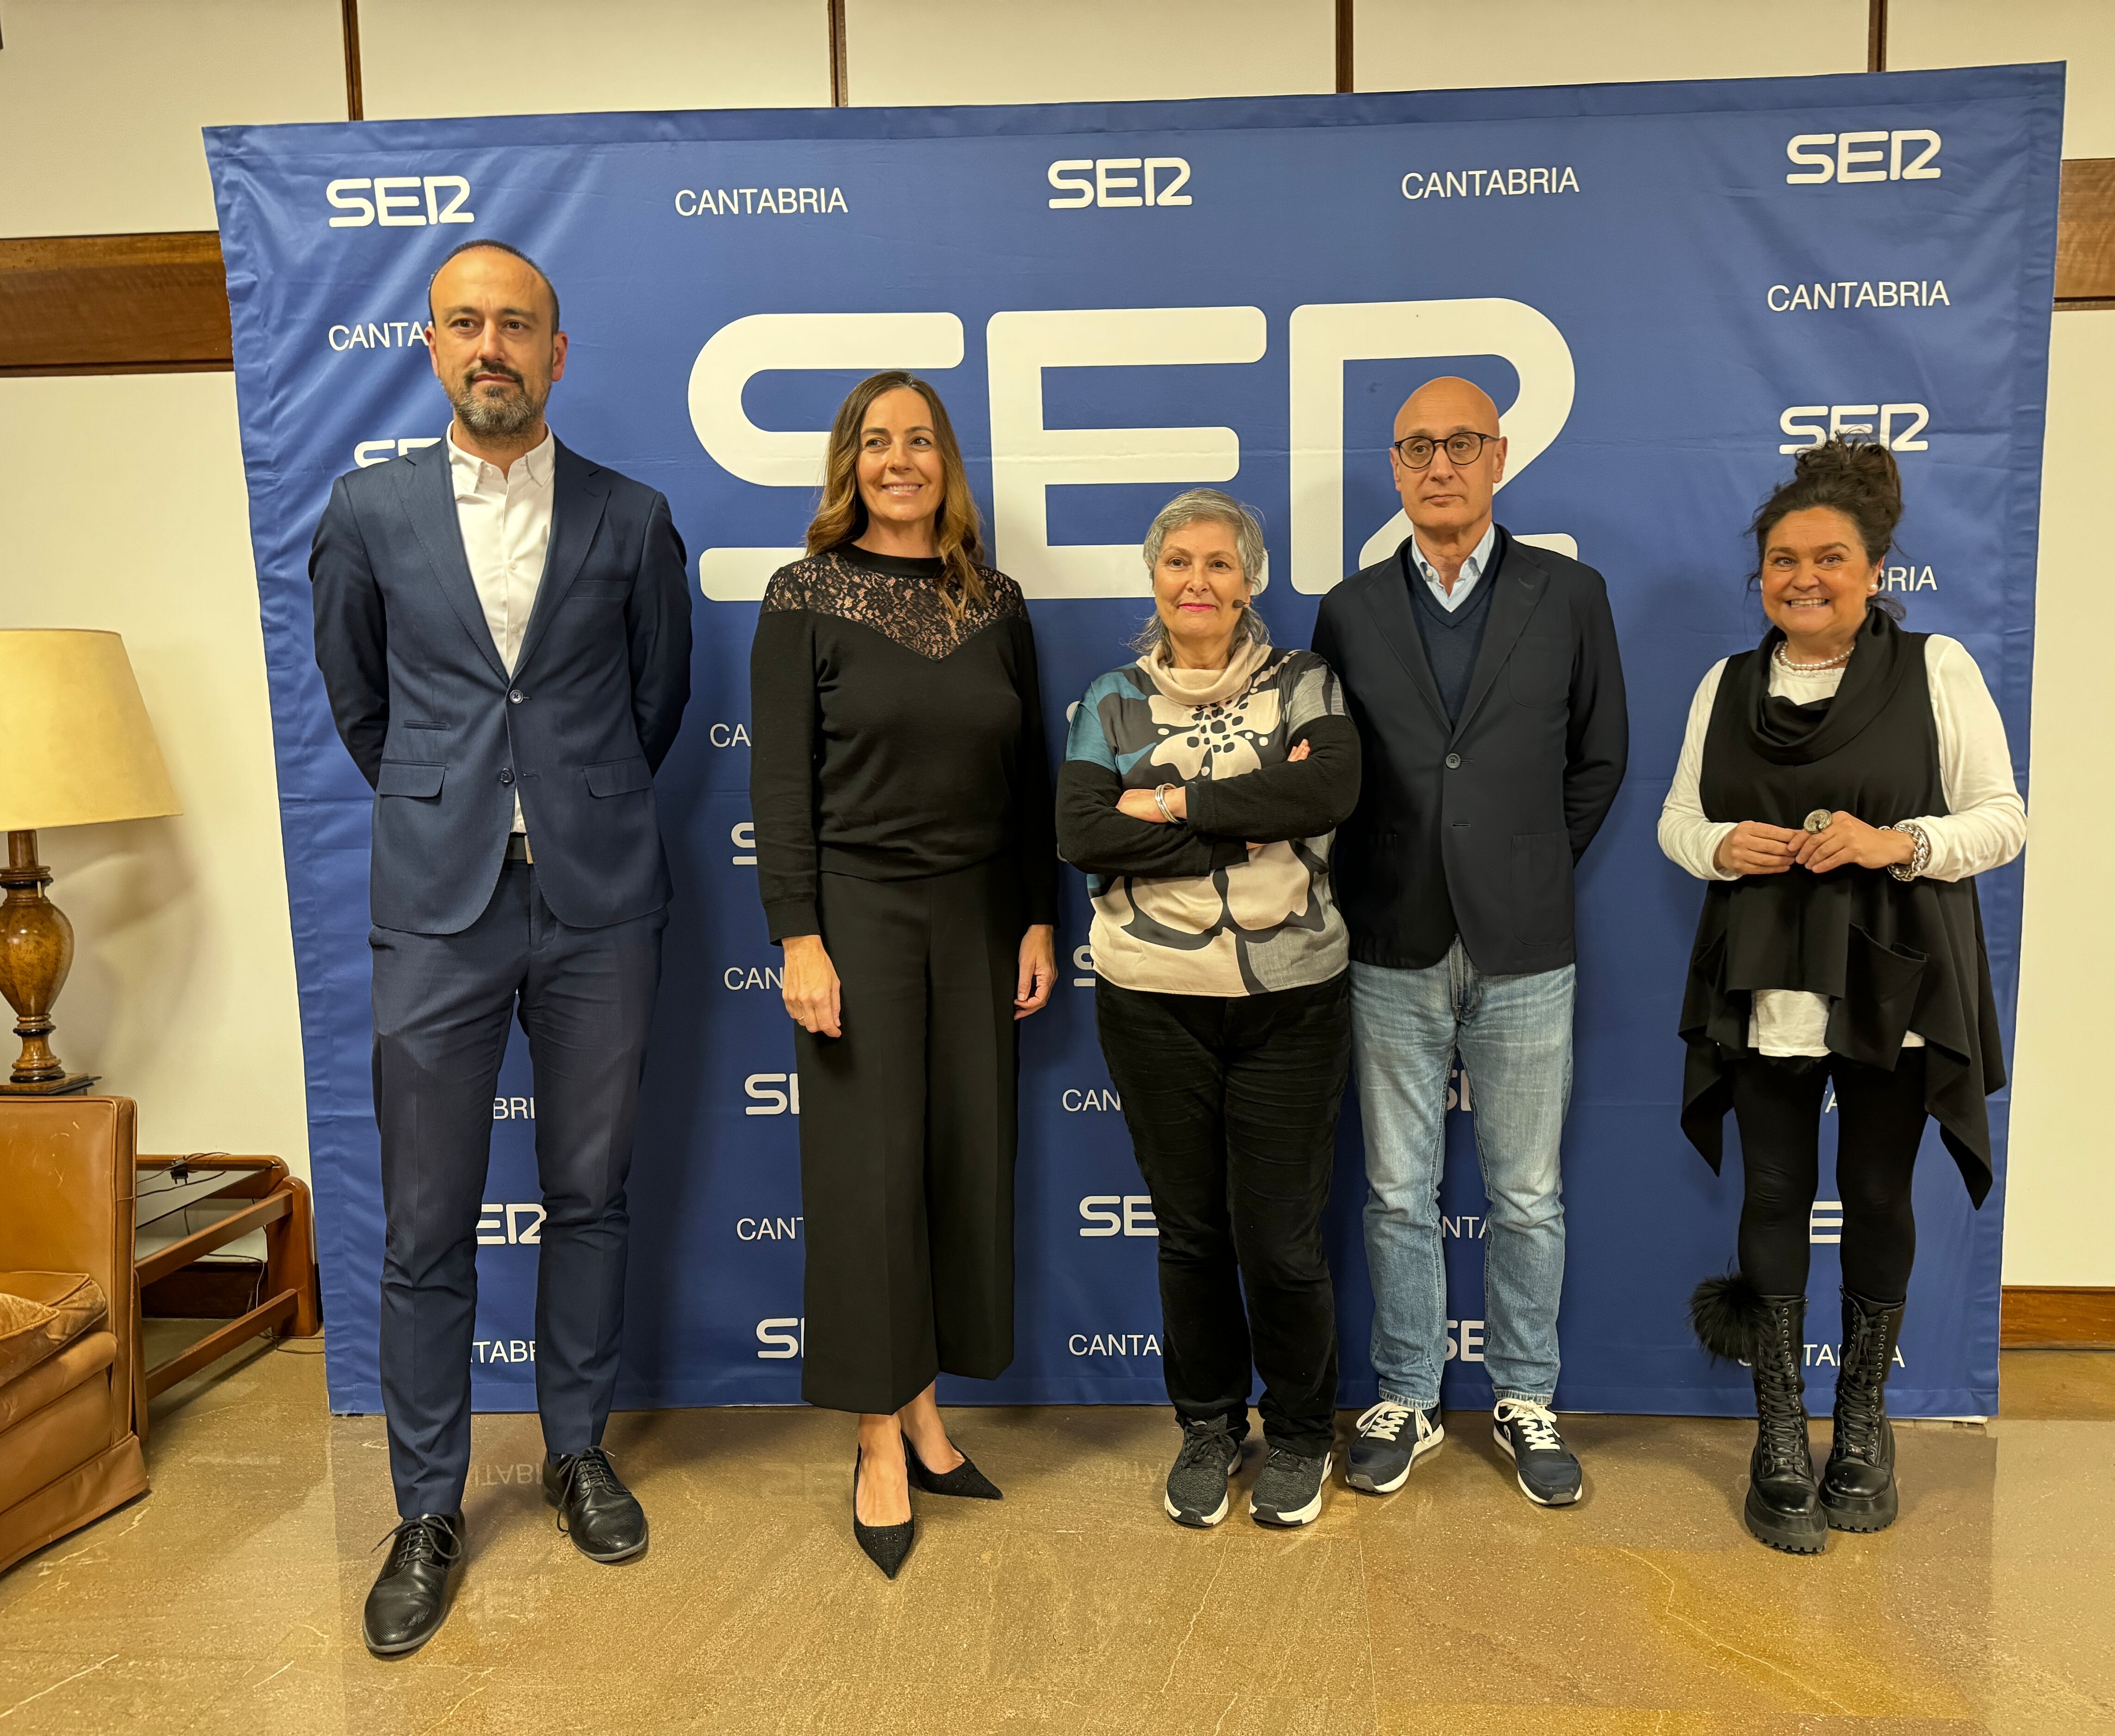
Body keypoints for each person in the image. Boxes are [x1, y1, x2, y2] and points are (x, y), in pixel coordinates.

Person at [310, 239, 693, 1656]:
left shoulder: (631, 514)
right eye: (467, 322)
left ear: (557, 351)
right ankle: (427, 1505)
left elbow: (655, 704)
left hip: (597, 900)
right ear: (432, 345)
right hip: (437, 902)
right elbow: (364, 704)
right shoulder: (369, 513)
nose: (493, 346)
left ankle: (578, 1449)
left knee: (590, 1189)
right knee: (426, 1220)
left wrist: (567, 802)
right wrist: (448, 799)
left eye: (517, 325)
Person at [1661, 437, 2025, 1554]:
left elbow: (2003, 818)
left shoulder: (1937, 670)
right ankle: (1780, 1433)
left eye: (1829, 558)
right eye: (1781, 560)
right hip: (1768, 987)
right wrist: (1729, 845)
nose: (1802, 578)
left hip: (1892, 981)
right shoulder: (1725, 685)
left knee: (1875, 1194)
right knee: (1772, 1198)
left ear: (1875, 573)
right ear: (1759, 575)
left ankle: (1862, 1425)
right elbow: (1676, 824)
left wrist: (1896, 840)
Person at [749, 371, 1057, 1580]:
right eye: (876, 441)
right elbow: (781, 784)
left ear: (947, 461)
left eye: (917, 440)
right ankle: (879, 1436)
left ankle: (928, 1410)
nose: (898, 459)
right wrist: (799, 934)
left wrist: (1038, 915)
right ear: (849, 463)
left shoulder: (998, 599)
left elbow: (1032, 782)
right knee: (870, 1181)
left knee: (960, 1170)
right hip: (859, 921)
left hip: (983, 916)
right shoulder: (806, 594)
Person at [1312, 377, 1628, 1509]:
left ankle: (1526, 1392)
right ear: (1393, 469)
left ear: (1499, 458)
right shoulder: (1348, 611)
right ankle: (1404, 1390)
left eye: (1459, 445)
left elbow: (1599, 762)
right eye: (1415, 449)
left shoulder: (1570, 594)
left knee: (1527, 1191)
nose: (1438, 467)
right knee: (1397, 1189)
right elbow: (1330, 771)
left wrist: (1528, 862)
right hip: (1389, 933)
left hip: (1526, 944)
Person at [1057, 490, 1362, 1530]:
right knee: (1190, 1233)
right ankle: (1207, 1424)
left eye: (1220, 564)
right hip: (1152, 1005)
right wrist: (1247, 821)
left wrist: (1178, 803)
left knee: (1279, 1239)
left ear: (1252, 580)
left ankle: (1305, 1432)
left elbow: (1326, 795)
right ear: (1154, 580)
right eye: (1178, 563)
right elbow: (1082, 832)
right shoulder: (1110, 699)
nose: (1198, 582)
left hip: (1291, 1001)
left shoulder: (1304, 682)